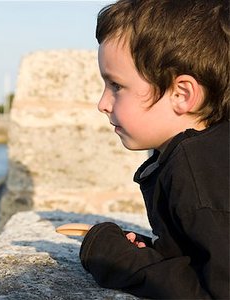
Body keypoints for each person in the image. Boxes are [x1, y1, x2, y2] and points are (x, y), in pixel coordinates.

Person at [79, 0, 229, 299]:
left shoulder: (198, 171)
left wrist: (119, 261)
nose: (102, 103)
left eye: (117, 86)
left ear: (181, 94)